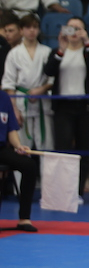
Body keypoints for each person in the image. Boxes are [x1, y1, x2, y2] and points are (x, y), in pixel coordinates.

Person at [44, 17, 89, 201]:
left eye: (78, 28)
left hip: (86, 106)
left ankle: (77, 192)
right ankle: (62, 191)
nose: (74, 32)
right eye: (71, 28)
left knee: (84, 150)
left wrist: (87, 42)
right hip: (63, 106)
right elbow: (49, 71)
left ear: (84, 31)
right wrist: (61, 49)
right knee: (63, 148)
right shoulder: (57, 51)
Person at [2, 13, 54, 151]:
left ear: (39, 30)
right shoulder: (14, 53)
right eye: (28, 27)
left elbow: (52, 79)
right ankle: (24, 167)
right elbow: (9, 83)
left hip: (42, 101)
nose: (32, 31)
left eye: (35, 27)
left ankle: (45, 167)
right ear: (21, 30)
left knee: (47, 145)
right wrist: (14, 109)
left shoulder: (47, 52)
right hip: (21, 102)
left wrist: (42, 89)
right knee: (22, 146)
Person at [0, 89, 38, 231]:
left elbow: (11, 130)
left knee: (29, 165)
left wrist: (18, 146)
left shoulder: (4, 98)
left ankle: (24, 218)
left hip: (1, 148)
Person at [0, 14, 22, 82]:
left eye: (10, 31)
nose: (7, 34)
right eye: (6, 31)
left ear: (21, 31)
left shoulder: (26, 50)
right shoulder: (2, 52)